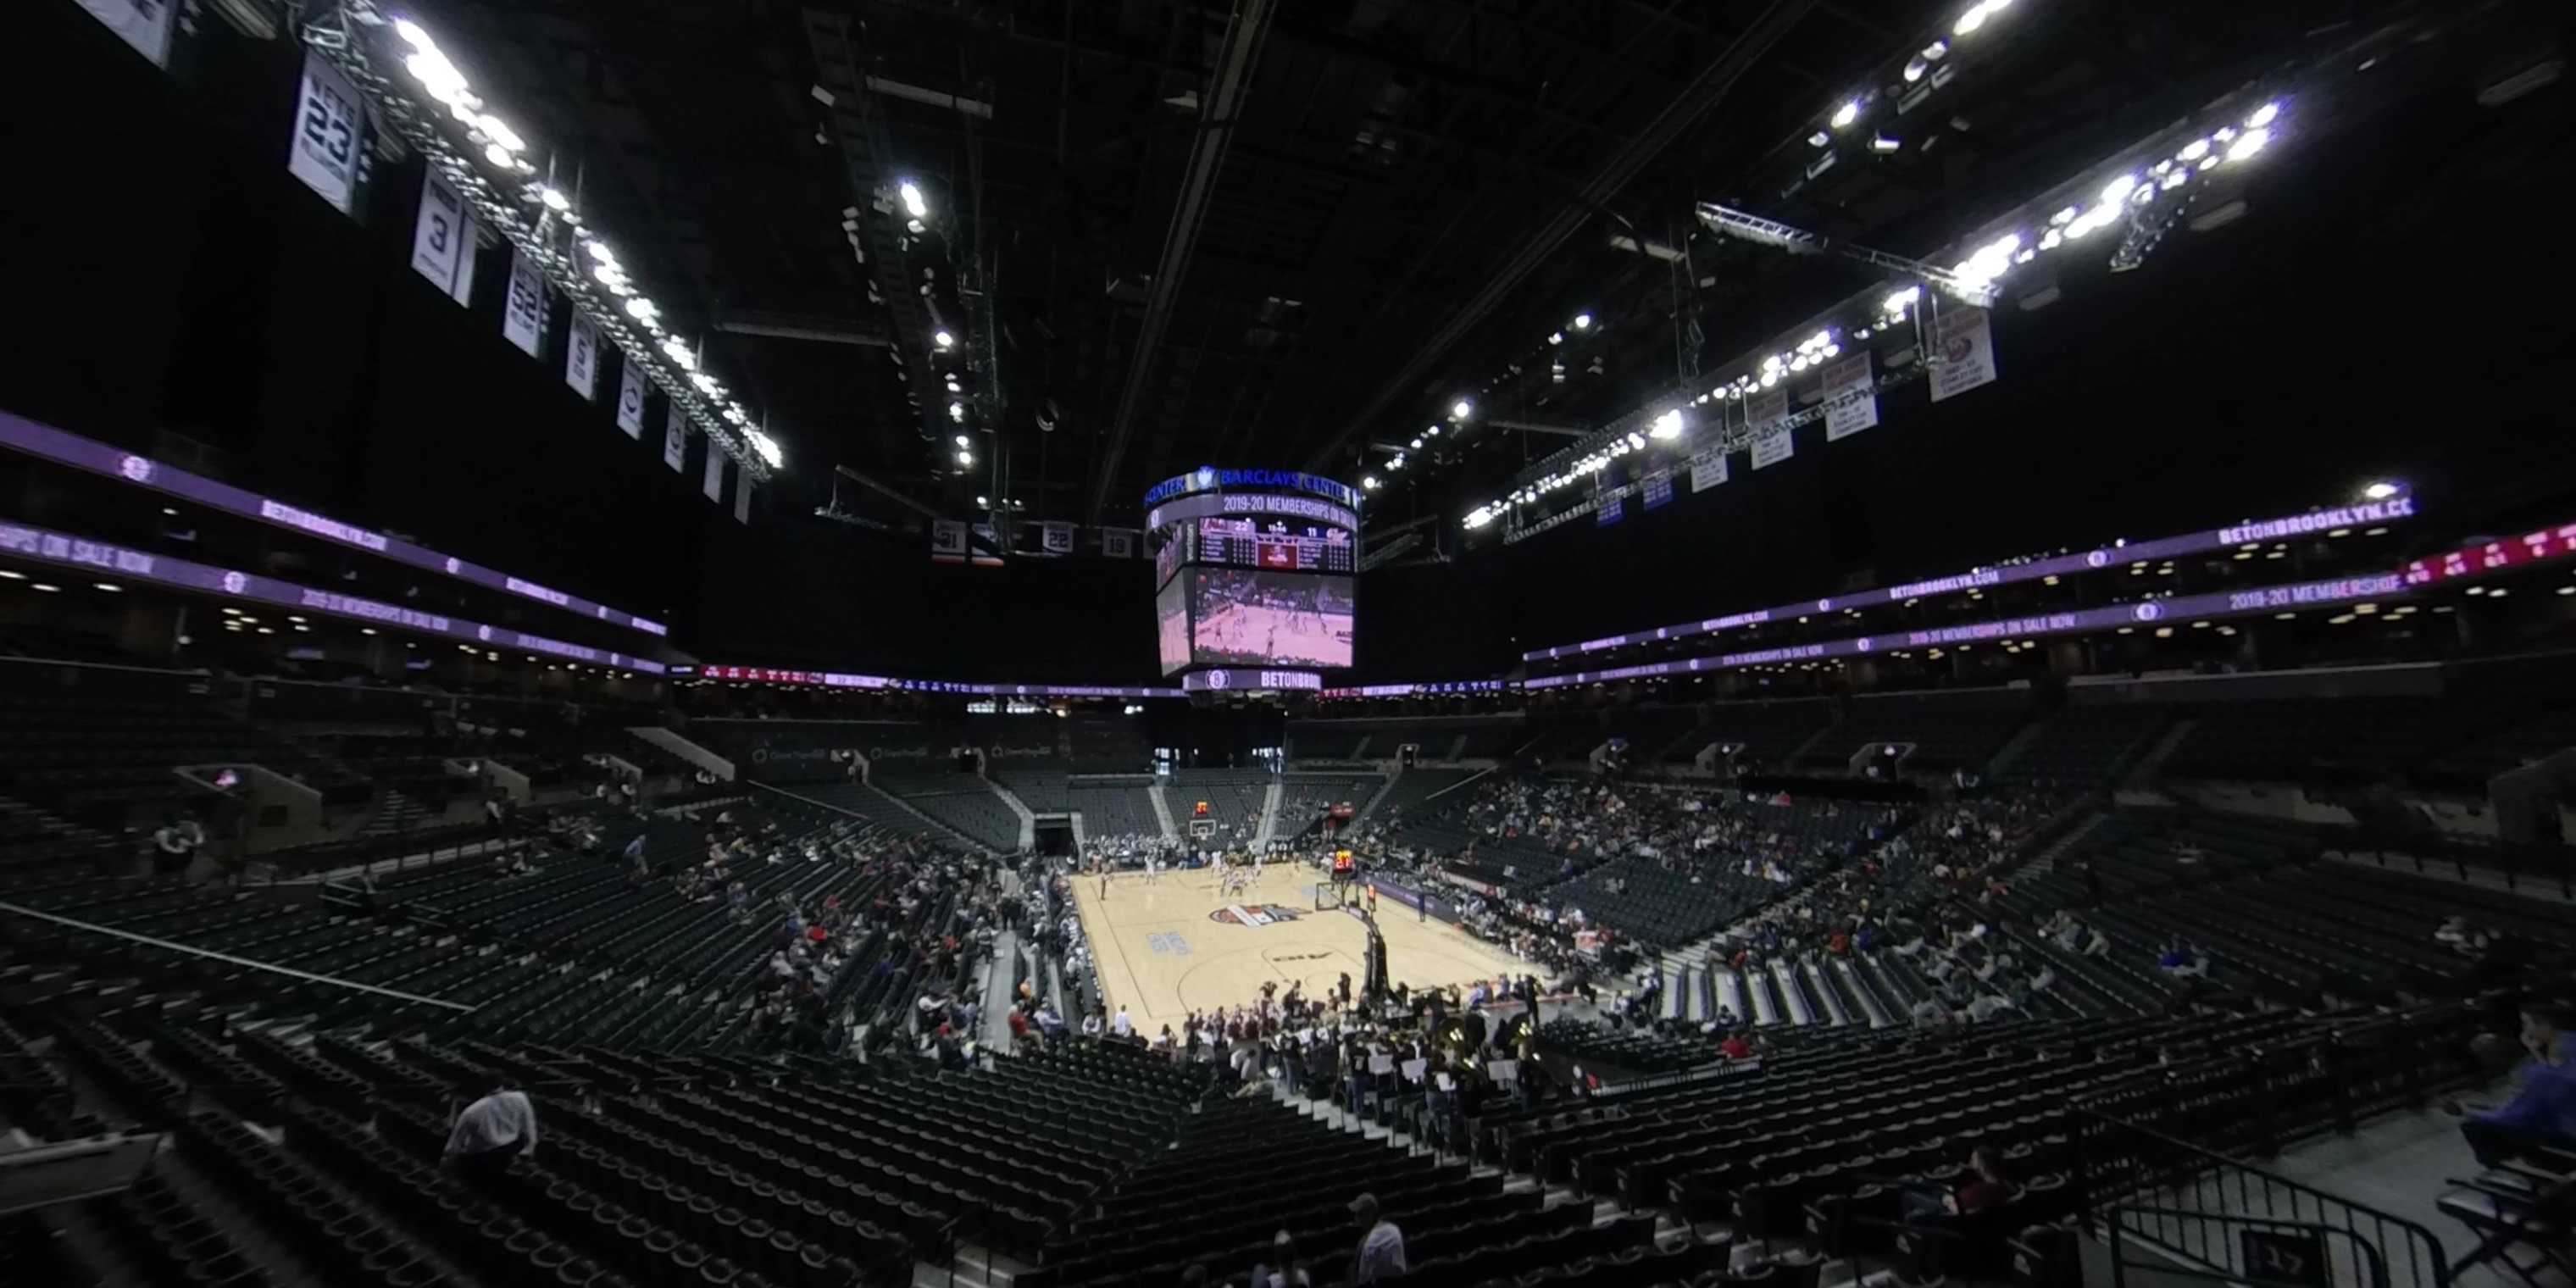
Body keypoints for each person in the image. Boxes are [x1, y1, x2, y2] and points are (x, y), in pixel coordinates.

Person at [2460, 1004, 2576, 1166]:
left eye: (2526, 1024)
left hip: (2568, 1133)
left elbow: (2516, 1115)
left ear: (2544, 1025)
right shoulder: (2567, 1046)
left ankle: (2505, 1170)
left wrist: (2471, 1112)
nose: (2524, 1031)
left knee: (2474, 1126)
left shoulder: (2540, 1072)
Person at [444, 1074, 540, 1185]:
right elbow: (529, 1125)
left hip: (482, 1155)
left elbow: (455, 1142)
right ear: (502, 1084)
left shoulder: (472, 1111)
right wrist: (530, 1148)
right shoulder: (520, 1097)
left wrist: (446, 1162)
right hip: (510, 1149)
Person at [1901, 1146, 2013, 1221]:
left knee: (1908, 1195)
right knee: (1934, 1189)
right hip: (1959, 1205)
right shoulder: (2005, 1184)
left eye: (1973, 1161)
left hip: (1948, 1214)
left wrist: (1947, 1199)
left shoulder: (1981, 1190)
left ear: (1983, 1167)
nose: (1970, 1163)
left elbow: (1957, 1210)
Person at [1347, 1193, 1406, 1283]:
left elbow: (1361, 1281)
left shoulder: (1364, 1243)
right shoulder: (1395, 1229)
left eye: (1359, 1214)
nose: (1356, 1218)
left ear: (1370, 1214)